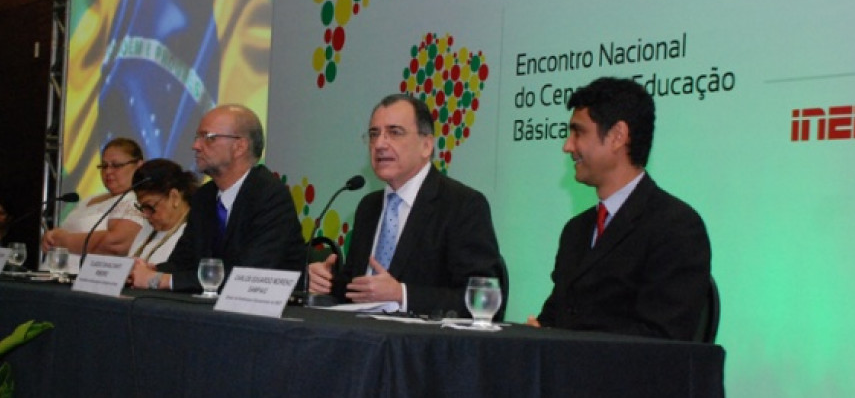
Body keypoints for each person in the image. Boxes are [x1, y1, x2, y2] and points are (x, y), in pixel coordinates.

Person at [527, 77, 712, 341]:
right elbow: (555, 316)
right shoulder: (576, 231)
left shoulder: (676, 227)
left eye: (578, 132)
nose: (567, 146)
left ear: (617, 136)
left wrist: (564, 342)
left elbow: (661, 340)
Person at [308, 94, 504, 317]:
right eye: (374, 134)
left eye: (394, 132)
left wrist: (402, 294)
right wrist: (328, 281)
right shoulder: (368, 208)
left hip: (423, 348)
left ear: (426, 145)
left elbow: (483, 300)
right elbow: (359, 291)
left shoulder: (462, 205)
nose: (380, 144)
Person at [131, 104, 305, 291]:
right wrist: (150, 270)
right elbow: (183, 262)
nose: (195, 146)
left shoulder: (269, 196)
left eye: (208, 138)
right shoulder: (204, 196)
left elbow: (247, 276)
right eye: (197, 138)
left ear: (240, 146)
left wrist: (160, 280)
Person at [41, 138, 146, 267]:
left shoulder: (135, 199)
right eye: (103, 166)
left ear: (139, 165)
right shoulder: (90, 199)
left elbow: (116, 244)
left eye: (116, 165)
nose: (108, 172)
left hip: (86, 281)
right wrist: (51, 236)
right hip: (52, 276)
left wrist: (64, 241)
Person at [128, 159, 198, 264]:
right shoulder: (147, 228)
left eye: (150, 206)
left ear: (174, 197)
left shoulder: (195, 234)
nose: (145, 215)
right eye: (142, 207)